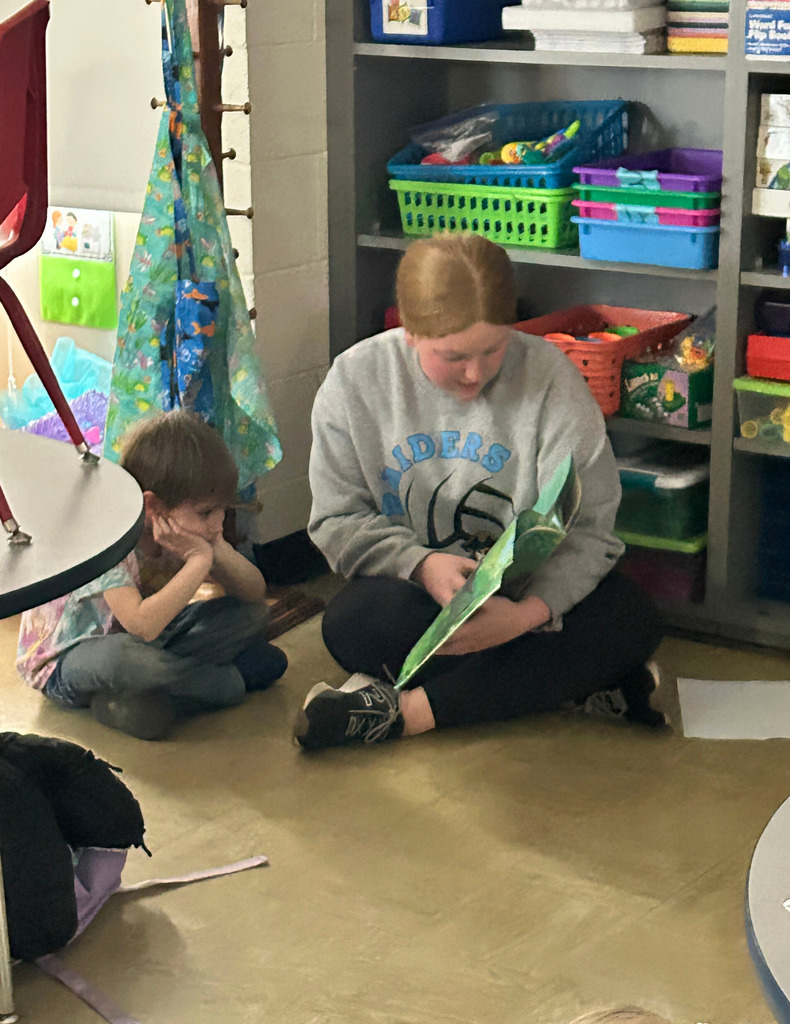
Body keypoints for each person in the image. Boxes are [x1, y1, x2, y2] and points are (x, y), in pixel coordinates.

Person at [294, 233, 664, 751]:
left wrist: (525, 615)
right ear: (409, 332)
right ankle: (568, 683)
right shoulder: (354, 380)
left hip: (530, 597)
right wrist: (422, 564)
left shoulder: (552, 377)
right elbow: (336, 520)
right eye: (453, 356)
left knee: (631, 618)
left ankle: (402, 712)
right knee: (351, 623)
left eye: (493, 349)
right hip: (422, 597)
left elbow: (591, 530)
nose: (474, 373)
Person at [16, 410, 287, 740]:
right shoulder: (111, 537)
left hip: (149, 637)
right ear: (153, 507)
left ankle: (152, 695)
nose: (218, 523)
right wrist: (199, 562)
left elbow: (253, 593)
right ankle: (219, 684)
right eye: (206, 512)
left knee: (252, 615)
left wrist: (212, 550)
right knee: (130, 661)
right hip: (70, 658)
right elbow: (141, 626)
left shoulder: (190, 532)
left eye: (222, 510)